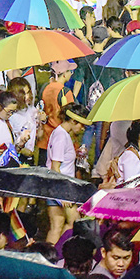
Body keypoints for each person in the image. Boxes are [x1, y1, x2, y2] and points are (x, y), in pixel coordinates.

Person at [46, 103, 90, 244]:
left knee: (57, 225)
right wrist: (62, 192)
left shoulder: (61, 134)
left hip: (56, 186)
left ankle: (51, 255)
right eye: (81, 125)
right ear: (73, 121)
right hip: (60, 187)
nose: (82, 129)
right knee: (73, 222)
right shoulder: (61, 136)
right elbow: (55, 166)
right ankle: (58, 252)